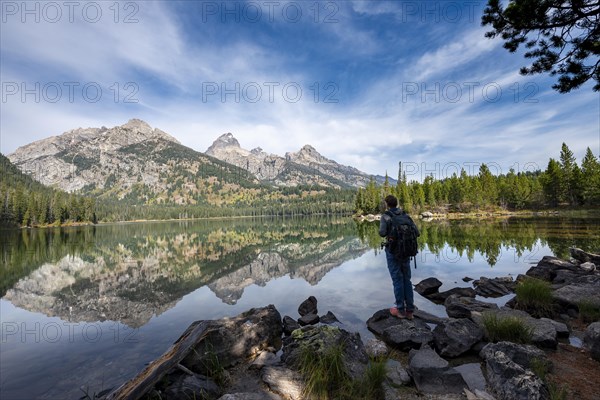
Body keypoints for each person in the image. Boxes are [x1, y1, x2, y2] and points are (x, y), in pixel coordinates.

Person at [379, 194, 420, 319]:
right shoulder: (405, 216)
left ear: (387, 204)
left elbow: (382, 233)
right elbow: (417, 233)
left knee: (397, 279)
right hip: (406, 252)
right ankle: (410, 311)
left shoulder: (386, 216)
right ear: (396, 204)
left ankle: (400, 310)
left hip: (393, 252)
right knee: (406, 280)